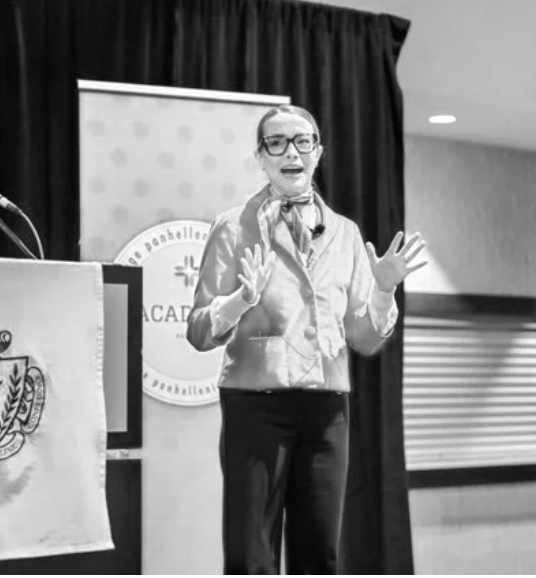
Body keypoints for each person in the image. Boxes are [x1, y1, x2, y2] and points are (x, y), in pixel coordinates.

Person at [186, 104, 427, 574]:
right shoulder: (234, 227)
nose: (290, 151)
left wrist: (382, 289)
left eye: (302, 141)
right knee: (249, 552)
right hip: (255, 404)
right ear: (261, 155)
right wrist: (239, 300)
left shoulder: (346, 233)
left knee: (319, 552)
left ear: (319, 152)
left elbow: (364, 339)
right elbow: (198, 330)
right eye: (276, 142)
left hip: (327, 408)